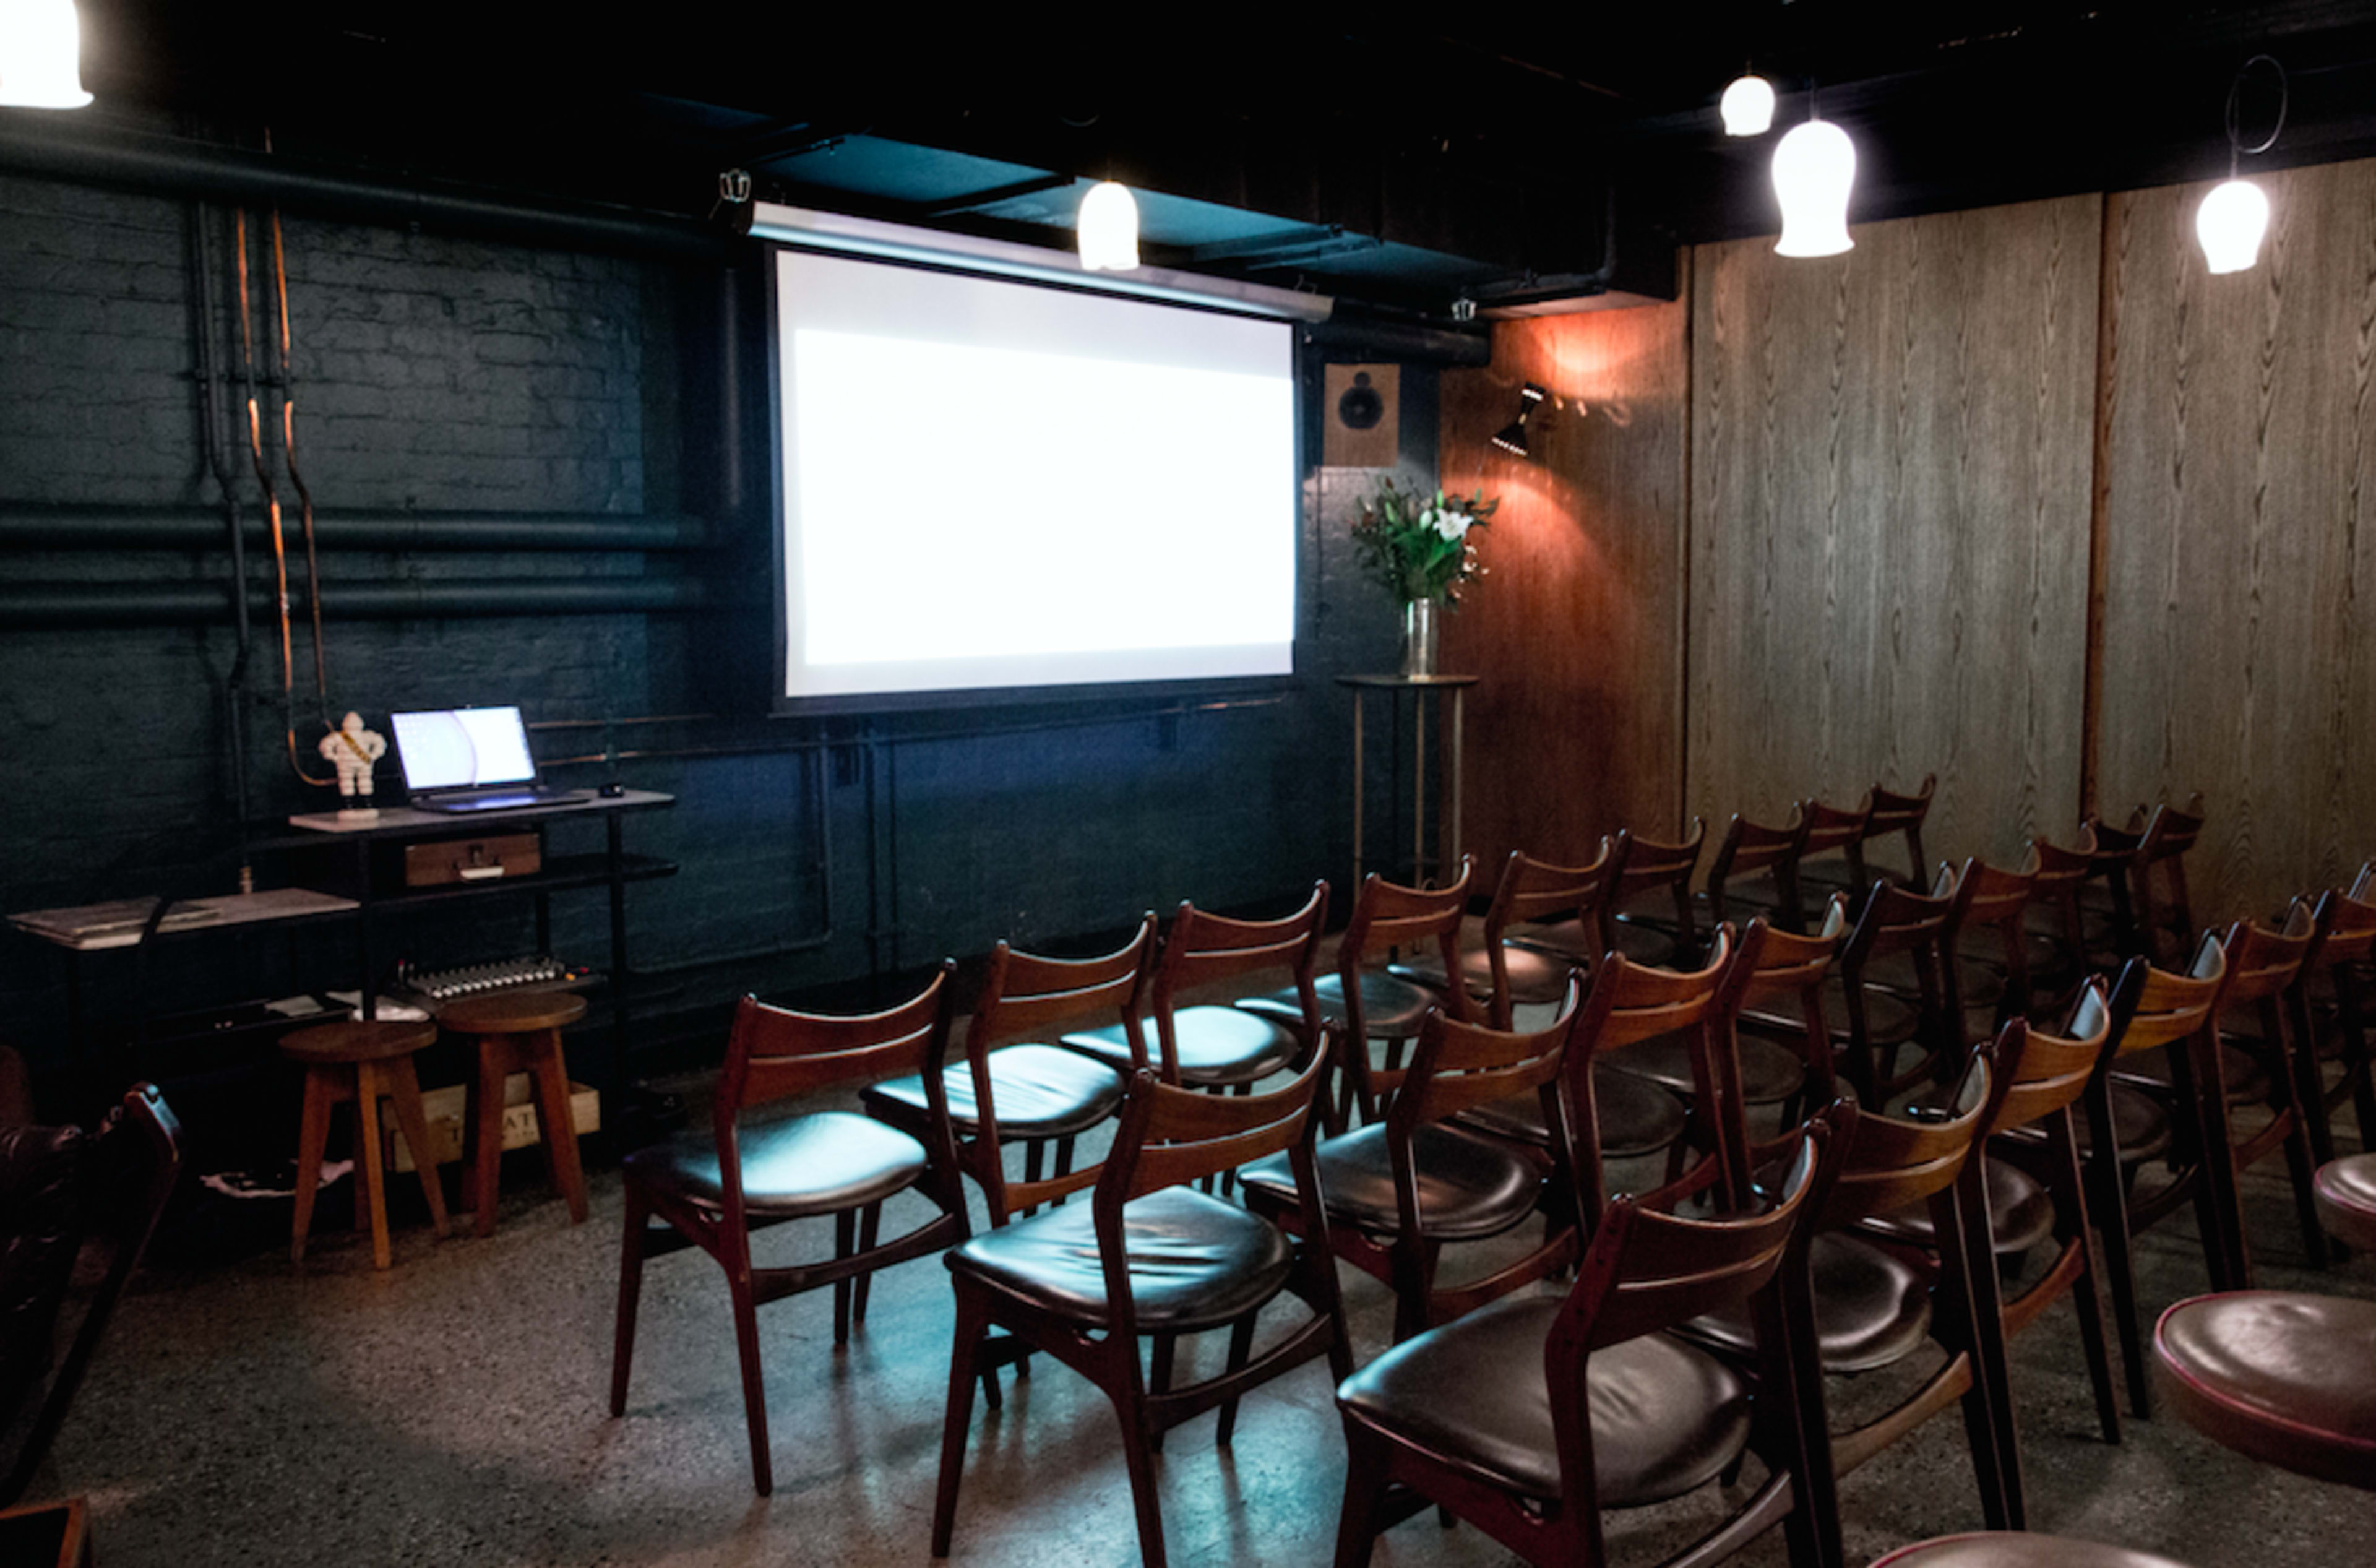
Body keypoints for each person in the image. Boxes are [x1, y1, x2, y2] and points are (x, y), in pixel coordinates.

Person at [319, 712, 387, 807]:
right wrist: (374, 755)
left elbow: (325, 745)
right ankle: (366, 801)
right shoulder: (364, 735)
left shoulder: (340, 737)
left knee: (349, 782)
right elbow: (380, 742)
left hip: (352, 763)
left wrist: (333, 757)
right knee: (362, 782)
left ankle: (350, 802)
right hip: (357, 763)